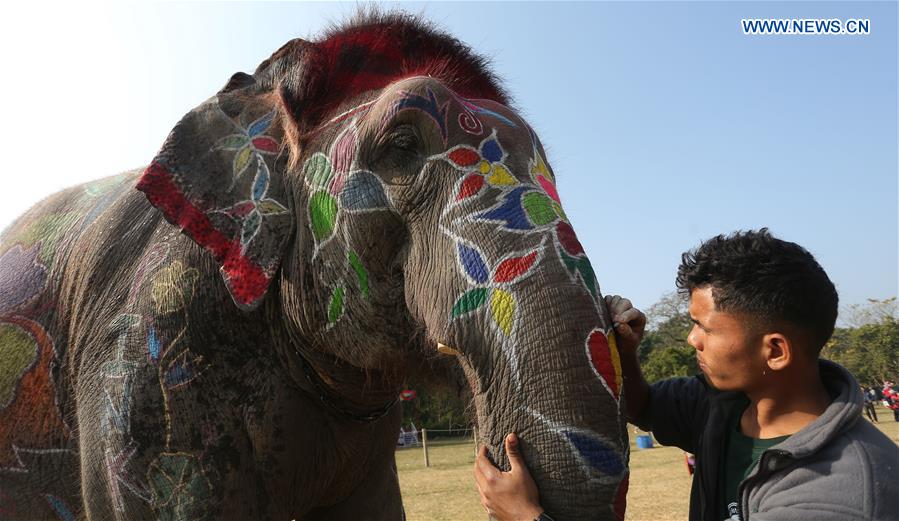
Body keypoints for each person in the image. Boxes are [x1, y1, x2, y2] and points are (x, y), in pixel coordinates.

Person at [474, 229, 899, 521]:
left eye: (706, 329)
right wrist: (625, 353)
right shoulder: (725, 407)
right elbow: (644, 406)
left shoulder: (839, 490)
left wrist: (526, 517)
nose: (692, 341)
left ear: (775, 350)